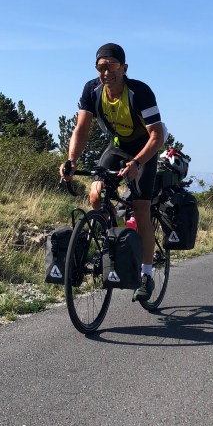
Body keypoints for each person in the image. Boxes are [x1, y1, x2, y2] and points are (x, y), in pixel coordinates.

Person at [60, 42, 167, 302]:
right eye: (101, 67)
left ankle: (146, 275)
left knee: (141, 208)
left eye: (112, 66)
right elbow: (81, 129)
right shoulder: (92, 90)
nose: (106, 72)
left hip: (145, 149)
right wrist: (71, 160)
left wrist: (137, 163)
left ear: (124, 68)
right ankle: (120, 238)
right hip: (117, 146)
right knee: (95, 196)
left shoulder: (140, 92)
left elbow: (157, 135)